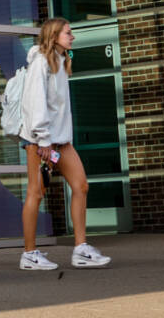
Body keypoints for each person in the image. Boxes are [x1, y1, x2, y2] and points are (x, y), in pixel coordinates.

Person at [11, 17, 111, 270]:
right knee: (36, 192)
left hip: (61, 141)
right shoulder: (41, 63)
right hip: (40, 140)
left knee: (81, 185)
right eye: (68, 33)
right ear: (54, 35)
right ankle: (29, 254)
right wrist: (44, 141)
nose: (72, 36)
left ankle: (80, 249)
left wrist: (58, 140)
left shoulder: (60, 61)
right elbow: (35, 103)